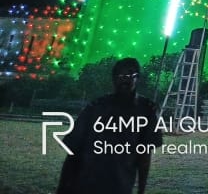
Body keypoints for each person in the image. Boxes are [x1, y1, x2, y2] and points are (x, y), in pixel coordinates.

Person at [57, 57, 163, 194]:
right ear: (113, 79)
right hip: (84, 183)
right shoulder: (95, 108)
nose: (125, 79)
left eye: (130, 75)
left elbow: (144, 156)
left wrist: (141, 190)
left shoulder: (147, 111)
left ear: (138, 78)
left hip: (118, 185)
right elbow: (73, 152)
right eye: (120, 75)